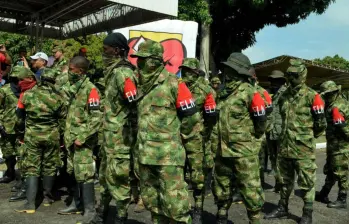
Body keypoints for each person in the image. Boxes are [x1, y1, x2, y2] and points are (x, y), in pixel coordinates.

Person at [131, 39, 202, 223]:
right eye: (138, 59)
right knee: (154, 206)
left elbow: (191, 124)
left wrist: (195, 162)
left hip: (168, 160)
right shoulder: (139, 85)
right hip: (145, 158)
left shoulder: (175, 84)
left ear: (154, 60)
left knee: (176, 209)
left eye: (142, 59)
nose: (138, 62)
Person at [264, 59, 327, 224]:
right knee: (284, 181)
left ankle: (307, 213)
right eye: (289, 75)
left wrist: (305, 137)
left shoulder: (313, 96)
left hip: (302, 148)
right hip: (284, 147)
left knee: (306, 182)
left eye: (295, 75)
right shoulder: (284, 96)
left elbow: (321, 125)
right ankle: (282, 208)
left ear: (303, 75)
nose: (291, 78)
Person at [212, 52, 267, 224]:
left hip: (243, 152)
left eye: (230, 69)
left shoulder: (250, 92)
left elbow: (261, 122)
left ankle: (254, 220)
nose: (227, 72)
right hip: (222, 150)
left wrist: (251, 141)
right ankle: (222, 216)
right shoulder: (221, 92)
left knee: (250, 189)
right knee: (221, 187)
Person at [91, 32, 138, 224]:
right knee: (104, 178)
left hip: (120, 139)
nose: (103, 53)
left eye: (106, 49)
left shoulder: (123, 74)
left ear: (117, 50)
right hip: (108, 138)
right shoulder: (112, 73)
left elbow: (134, 106)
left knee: (119, 179)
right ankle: (101, 213)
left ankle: (121, 217)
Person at [13, 66, 66, 213]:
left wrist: (20, 134)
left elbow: (19, 118)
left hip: (32, 136)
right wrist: (60, 137)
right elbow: (63, 120)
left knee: (32, 168)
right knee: (49, 166)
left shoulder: (26, 95)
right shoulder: (59, 96)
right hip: (52, 135)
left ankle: (30, 204)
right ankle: (47, 198)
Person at [59, 56, 102, 224]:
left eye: (71, 69)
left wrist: (82, 137)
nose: (69, 72)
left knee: (85, 175)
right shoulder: (72, 87)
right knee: (75, 173)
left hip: (82, 141)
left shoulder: (90, 89)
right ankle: (77, 204)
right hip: (71, 139)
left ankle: (89, 210)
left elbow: (96, 118)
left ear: (81, 71)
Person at [179, 58, 217, 223]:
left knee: (198, 178)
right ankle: (180, 208)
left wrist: (202, 133)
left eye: (188, 70)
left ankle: (198, 210)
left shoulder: (206, 90)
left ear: (195, 72)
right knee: (177, 175)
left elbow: (211, 117)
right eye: (183, 70)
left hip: (197, 140)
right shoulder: (176, 87)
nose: (185, 73)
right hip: (177, 138)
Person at [315, 81, 348, 209]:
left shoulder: (337, 107)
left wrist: (343, 129)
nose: (326, 97)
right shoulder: (333, 104)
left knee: (341, 173)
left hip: (341, 146)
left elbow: (345, 131)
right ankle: (324, 193)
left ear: (334, 93)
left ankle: (342, 199)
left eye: (328, 94)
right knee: (330, 170)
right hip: (333, 144)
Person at [266, 70, 287, 193]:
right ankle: (278, 184)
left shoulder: (285, 93)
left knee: (282, 161)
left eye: (275, 80)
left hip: (281, 132)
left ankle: (283, 185)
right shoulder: (272, 94)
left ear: (281, 81)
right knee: (273, 159)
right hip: (271, 131)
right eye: (272, 80)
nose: (273, 82)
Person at [0, 67, 21, 184]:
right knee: (8, 153)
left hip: (22, 128)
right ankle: (10, 173)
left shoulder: (27, 90)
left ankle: (21, 179)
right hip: (7, 127)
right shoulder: (4, 90)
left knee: (22, 154)